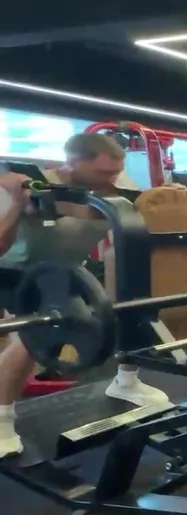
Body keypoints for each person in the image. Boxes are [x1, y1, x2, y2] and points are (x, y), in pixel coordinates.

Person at [1, 134, 172, 459]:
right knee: (31, 341)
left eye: (115, 172)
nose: (111, 179)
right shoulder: (29, 184)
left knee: (128, 310)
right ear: (73, 163)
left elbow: (132, 213)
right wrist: (18, 204)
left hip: (67, 271)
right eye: (103, 173)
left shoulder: (116, 184)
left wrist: (166, 200)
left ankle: (126, 382)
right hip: (17, 272)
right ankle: (1, 420)